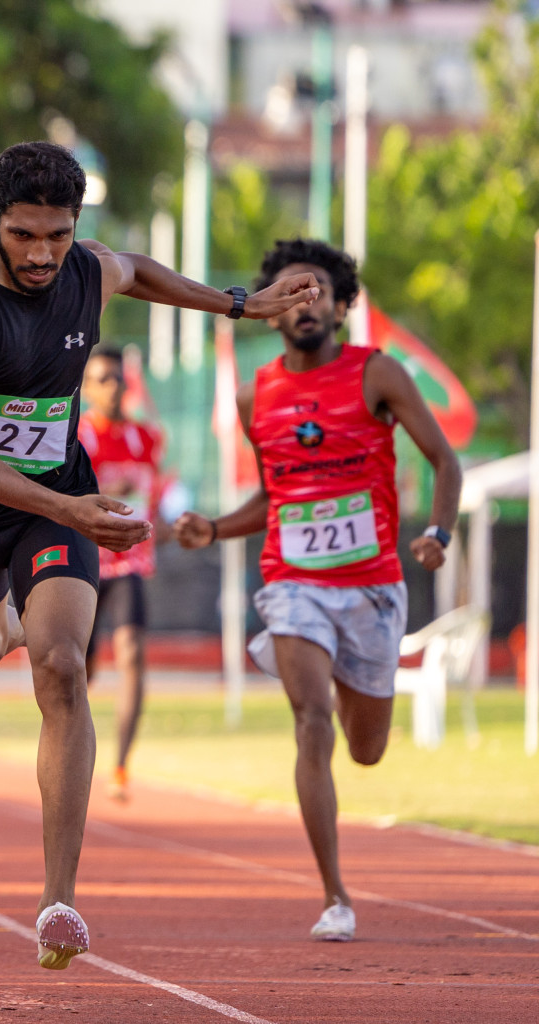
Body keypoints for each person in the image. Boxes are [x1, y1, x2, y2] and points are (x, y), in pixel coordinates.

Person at [0, 141, 317, 970]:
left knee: (62, 666)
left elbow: (145, 274)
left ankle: (58, 900)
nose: (42, 255)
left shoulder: (87, 269)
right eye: (23, 235)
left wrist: (243, 304)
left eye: (58, 235)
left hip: (57, 510)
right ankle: (9, 626)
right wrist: (71, 508)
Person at [174, 239, 460, 943]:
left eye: (319, 292)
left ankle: (348, 673)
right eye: (292, 293)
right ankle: (335, 895)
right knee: (311, 721)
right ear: (271, 310)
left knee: (366, 750)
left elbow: (445, 461)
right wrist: (214, 527)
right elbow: (272, 499)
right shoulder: (255, 395)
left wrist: (440, 533)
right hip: (293, 582)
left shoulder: (377, 375)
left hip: (371, 587)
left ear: (341, 304)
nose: (308, 304)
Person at [77, 348, 169, 800]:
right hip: (85, 561)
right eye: (103, 379)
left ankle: (121, 766)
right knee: (82, 666)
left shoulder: (145, 438)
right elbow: (59, 492)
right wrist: (101, 492)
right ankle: (70, 743)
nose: (113, 387)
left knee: (132, 652)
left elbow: (156, 492)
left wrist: (174, 524)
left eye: (118, 378)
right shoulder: (77, 437)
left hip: (130, 559)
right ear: (87, 388)